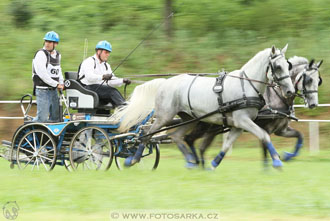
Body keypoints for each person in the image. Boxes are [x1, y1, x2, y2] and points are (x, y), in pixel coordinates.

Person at [78, 40, 131, 107]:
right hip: (86, 88)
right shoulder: (89, 61)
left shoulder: (106, 65)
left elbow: (110, 82)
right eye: (106, 52)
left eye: (109, 53)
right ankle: (124, 107)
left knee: (113, 96)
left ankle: (122, 111)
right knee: (111, 91)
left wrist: (122, 80)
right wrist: (102, 77)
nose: (108, 55)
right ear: (99, 52)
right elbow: (89, 77)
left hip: (99, 89)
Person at [32, 31, 64, 122]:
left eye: (50, 42)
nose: (47, 44)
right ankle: (31, 133)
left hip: (53, 90)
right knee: (42, 118)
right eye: (46, 41)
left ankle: (49, 136)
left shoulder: (58, 55)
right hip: (42, 91)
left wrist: (61, 82)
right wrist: (56, 84)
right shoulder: (41, 54)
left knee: (56, 117)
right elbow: (42, 75)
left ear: (56, 44)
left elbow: (58, 70)